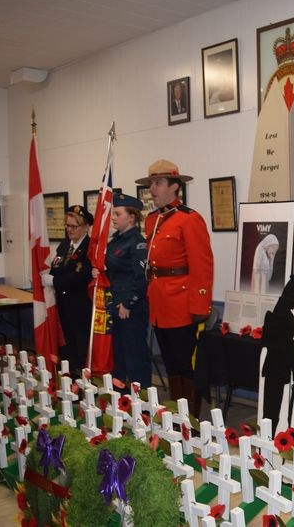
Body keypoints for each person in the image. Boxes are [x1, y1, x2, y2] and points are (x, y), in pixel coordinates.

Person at [136, 159, 214, 419]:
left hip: (182, 305)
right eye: (150, 184)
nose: (152, 189)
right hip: (160, 304)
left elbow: (202, 266)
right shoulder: (152, 221)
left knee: (186, 366)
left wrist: (200, 307)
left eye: (157, 183)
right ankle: (176, 415)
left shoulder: (189, 220)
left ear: (175, 186)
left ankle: (190, 420)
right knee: (170, 365)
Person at [91, 193, 151, 392]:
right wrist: (100, 270)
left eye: (117, 214)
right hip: (115, 303)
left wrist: (128, 303)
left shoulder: (137, 242)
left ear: (131, 217)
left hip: (130, 307)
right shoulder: (117, 240)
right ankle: (121, 397)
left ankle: (141, 400)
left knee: (134, 355)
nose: (113, 218)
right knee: (120, 354)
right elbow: (115, 268)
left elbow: (141, 278)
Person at [45, 205, 94, 378]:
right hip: (63, 305)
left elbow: (82, 276)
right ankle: (70, 381)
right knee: (67, 346)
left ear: (86, 227)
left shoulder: (90, 247)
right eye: (67, 226)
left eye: (74, 226)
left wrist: (56, 281)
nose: (69, 230)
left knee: (81, 347)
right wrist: (50, 277)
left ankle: (82, 382)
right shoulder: (64, 245)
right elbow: (56, 267)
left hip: (81, 306)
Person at [260, 274, 294, 433]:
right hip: (276, 368)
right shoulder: (282, 314)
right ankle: (269, 438)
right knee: (272, 409)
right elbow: (278, 341)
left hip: (279, 368)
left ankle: (270, 436)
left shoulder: (282, 312)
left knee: (273, 408)